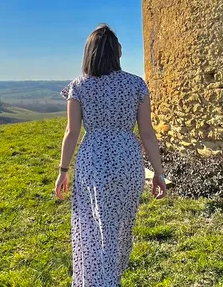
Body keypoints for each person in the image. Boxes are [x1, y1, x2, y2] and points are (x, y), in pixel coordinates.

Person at [54, 24, 167, 286]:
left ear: (89, 53)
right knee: (118, 231)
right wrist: (158, 174)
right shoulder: (136, 85)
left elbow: (72, 132)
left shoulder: (78, 87)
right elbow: (147, 133)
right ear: (117, 53)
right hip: (128, 163)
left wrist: (63, 171)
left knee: (94, 231)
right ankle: (110, 278)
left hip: (92, 164)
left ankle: (99, 281)